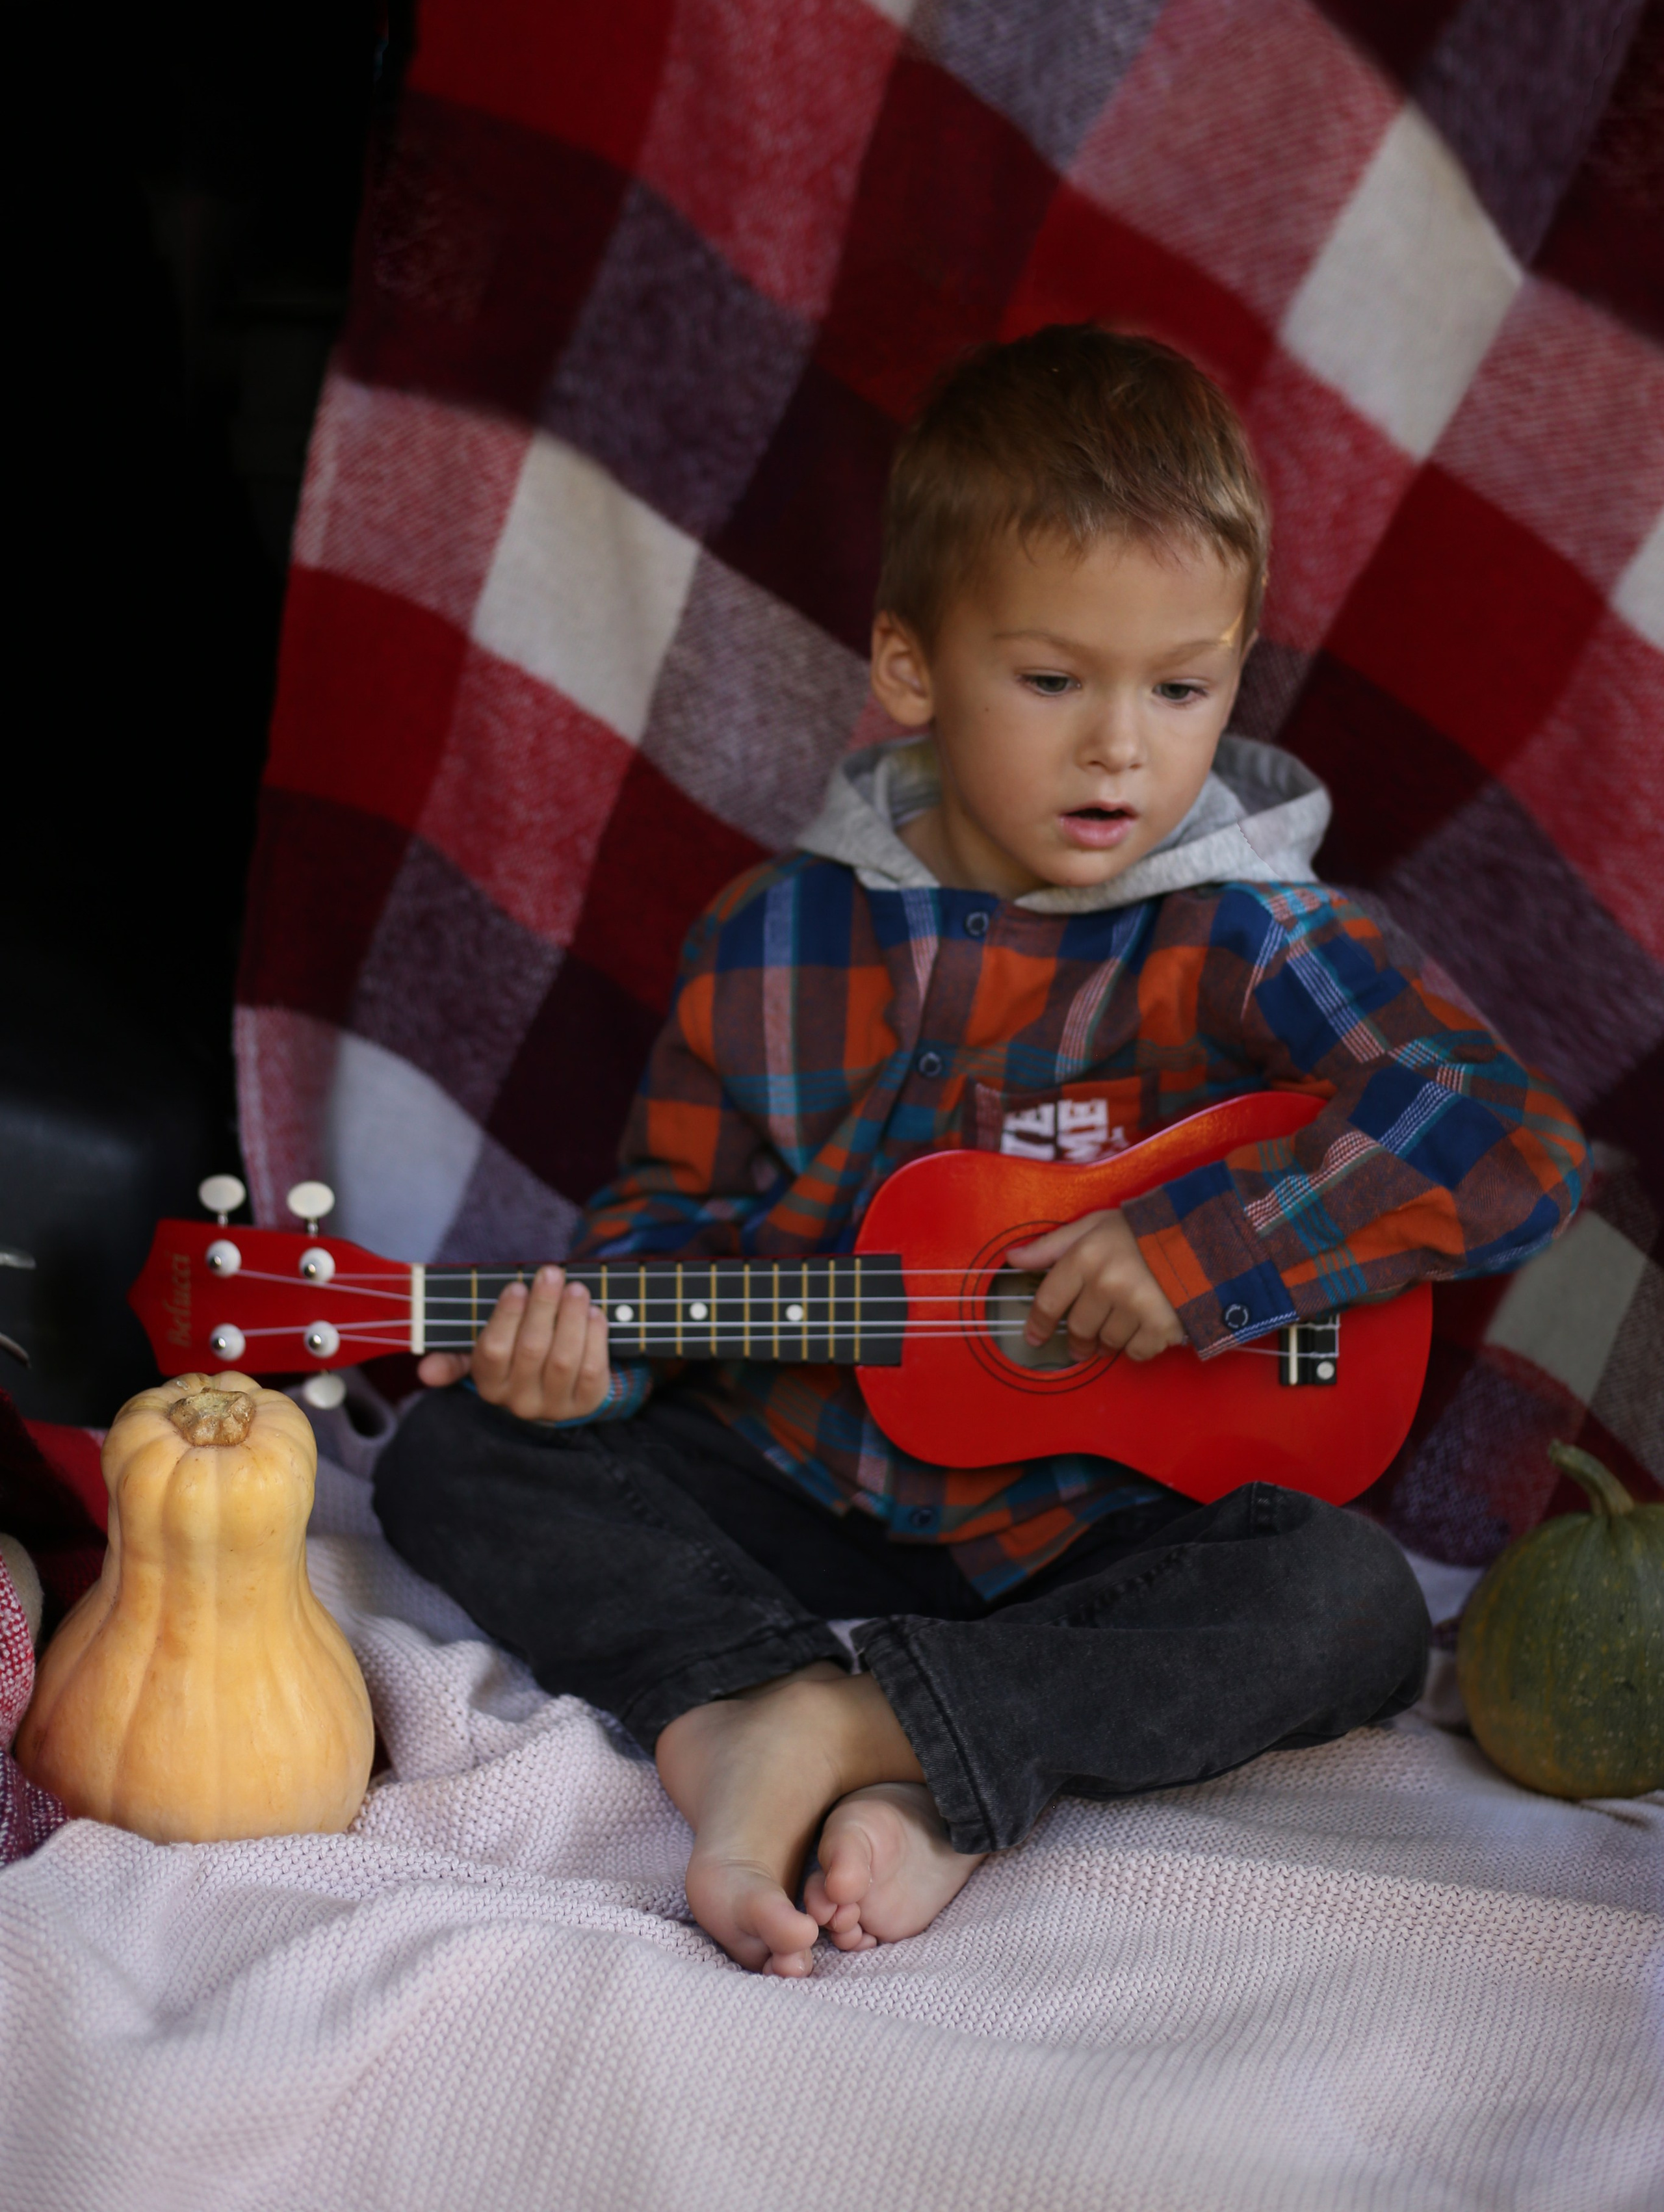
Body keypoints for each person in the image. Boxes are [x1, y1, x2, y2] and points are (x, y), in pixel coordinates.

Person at [374, 326, 1589, 1977]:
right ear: (907, 668)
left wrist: (1204, 1257)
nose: (1120, 750)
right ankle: (775, 1702)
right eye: (1051, 680)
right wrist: (581, 1359)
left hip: (1089, 1538)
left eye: (1181, 689)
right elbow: (665, 1227)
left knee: (1346, 1606)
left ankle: (891, 1738)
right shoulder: (766, 938)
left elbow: (1506, 1137)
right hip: (806, 1480)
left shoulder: (1242, 932)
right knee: (450, 1456)